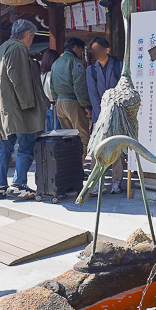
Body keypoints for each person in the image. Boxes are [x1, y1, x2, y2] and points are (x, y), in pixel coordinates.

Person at [0, 19, 48, 200]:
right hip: (19, 109)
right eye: (32, 37)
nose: (31, 42)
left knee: (3, 147)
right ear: (27, 35)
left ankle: (0, 186)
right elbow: (19, 78)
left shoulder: (0, 49)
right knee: (25, 146)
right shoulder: (19, 49)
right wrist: (29, 104)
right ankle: (18, 184)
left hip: (2, 108)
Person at [86, 37, 125, 194]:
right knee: (97, 149)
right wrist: (100, 115)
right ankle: (96, 182)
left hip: (116, 112)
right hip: (99, 114)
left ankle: (117, 182)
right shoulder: (91, 70)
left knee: (117, 148)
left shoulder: (118, 65)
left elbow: (122, 90)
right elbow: (92, 94)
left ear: (107, 50)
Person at [51, 36, 92, 162]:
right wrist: (86, 105)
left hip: (59, 103)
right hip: (73, 102)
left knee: (67, 137)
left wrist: (56, 100)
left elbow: (52, 86)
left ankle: (69, 166)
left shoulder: (56, 63)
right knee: (82, 136)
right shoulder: (75, 62)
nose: (81, 53)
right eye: (81, 50)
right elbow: (79, 86)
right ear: (75, 48)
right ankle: (78, 166)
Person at [40, 49, 58, 131]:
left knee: (48, 133)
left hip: (45, 108)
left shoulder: (41, 75)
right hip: (54, 107)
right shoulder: (52, 74)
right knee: (57, 133)